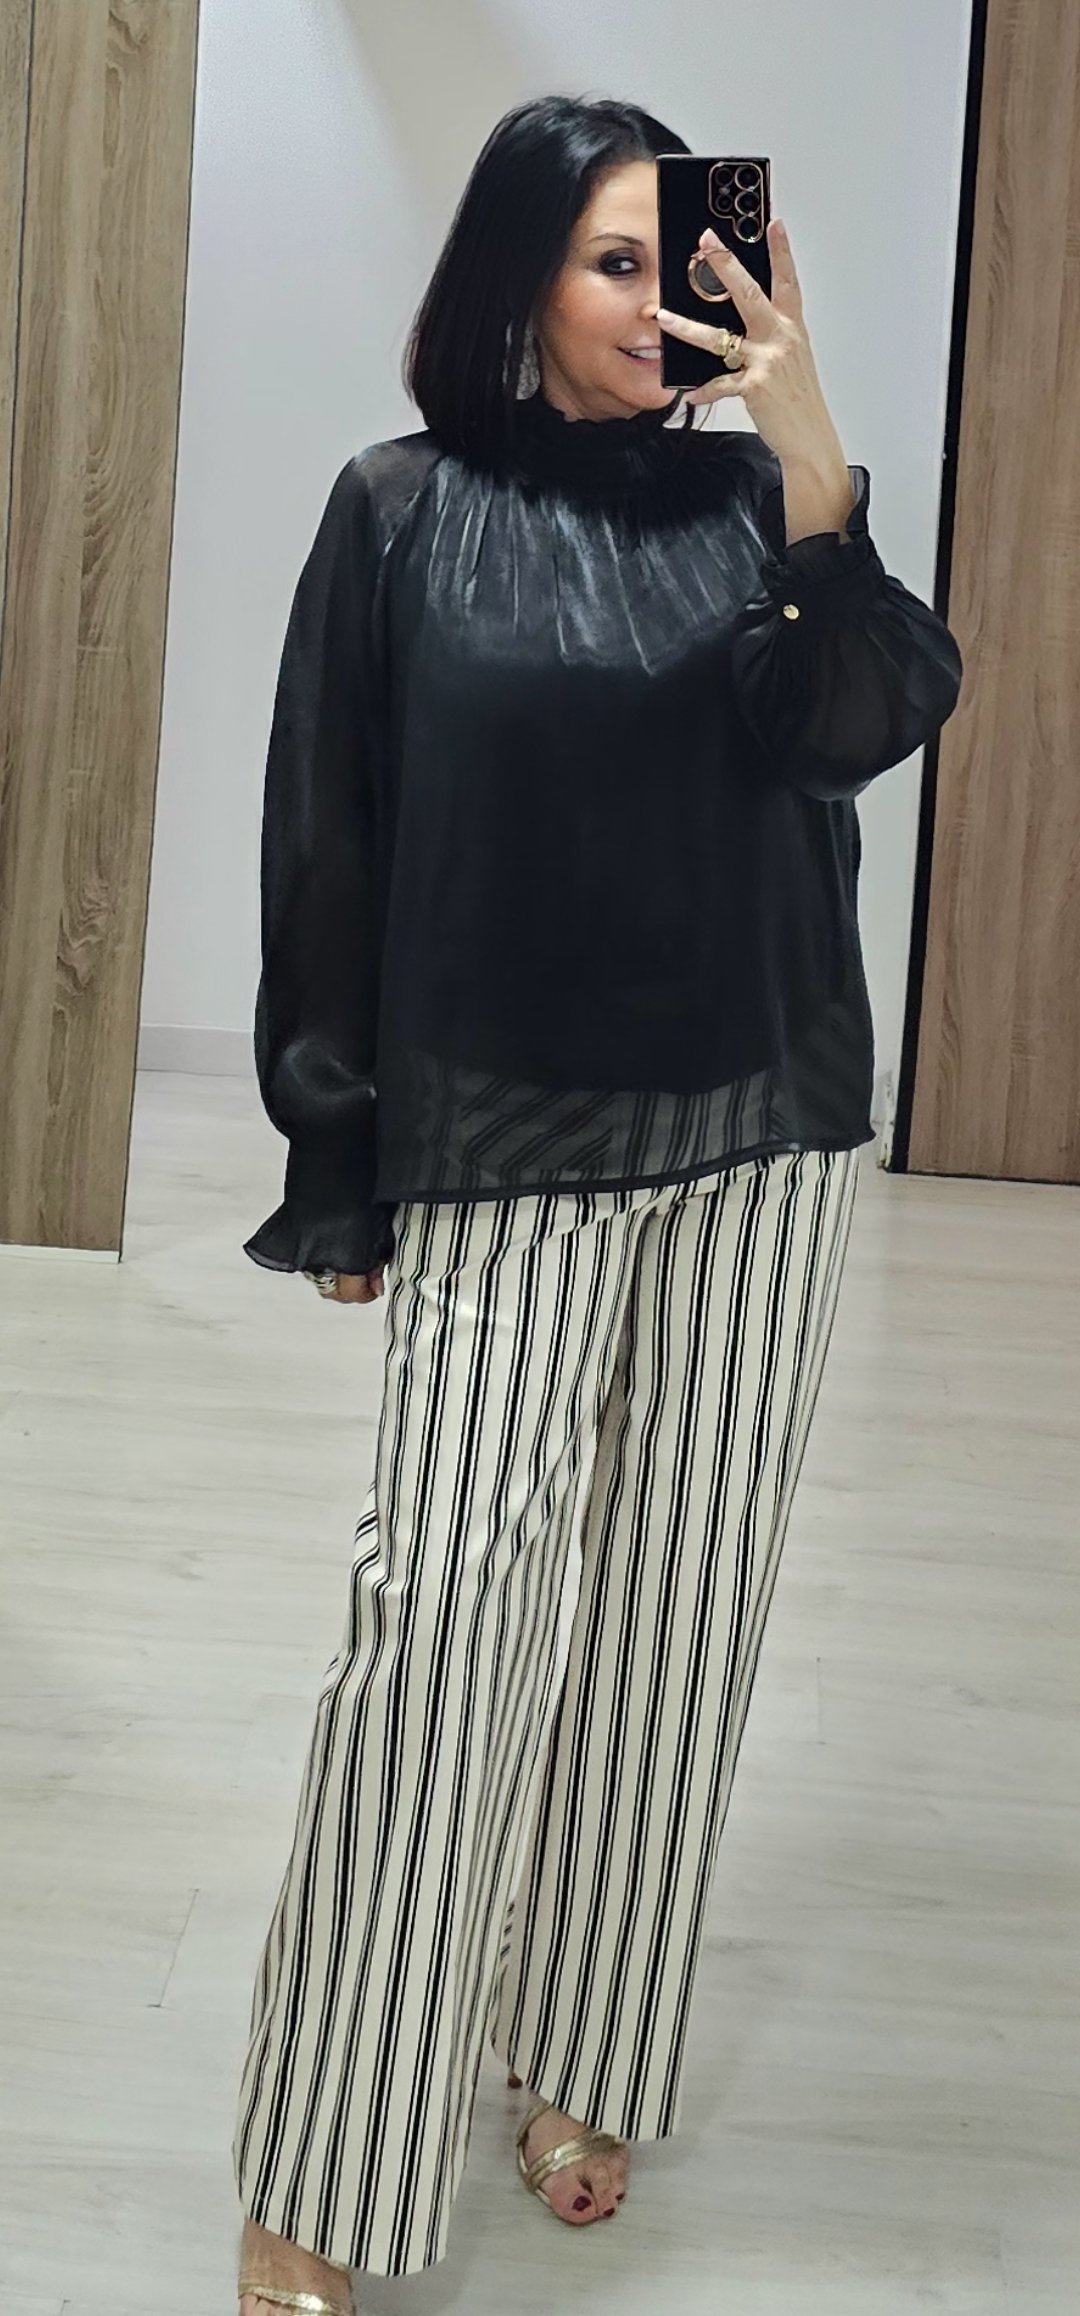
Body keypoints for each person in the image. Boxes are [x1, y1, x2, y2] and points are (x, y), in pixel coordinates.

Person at [234, 92, 962, 2316]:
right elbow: (330, 843)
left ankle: (583, 2051)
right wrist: (336, 1150)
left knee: (675, 1626)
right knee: (438, 1625)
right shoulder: (399, 510)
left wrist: (814, 447)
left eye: (689, 262)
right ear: (518, 279)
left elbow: (858, 721)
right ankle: (334, 2154)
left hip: (765, 1136)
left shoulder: (763, 508)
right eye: (614, 263)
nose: (661, 305)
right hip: (508, 1144)